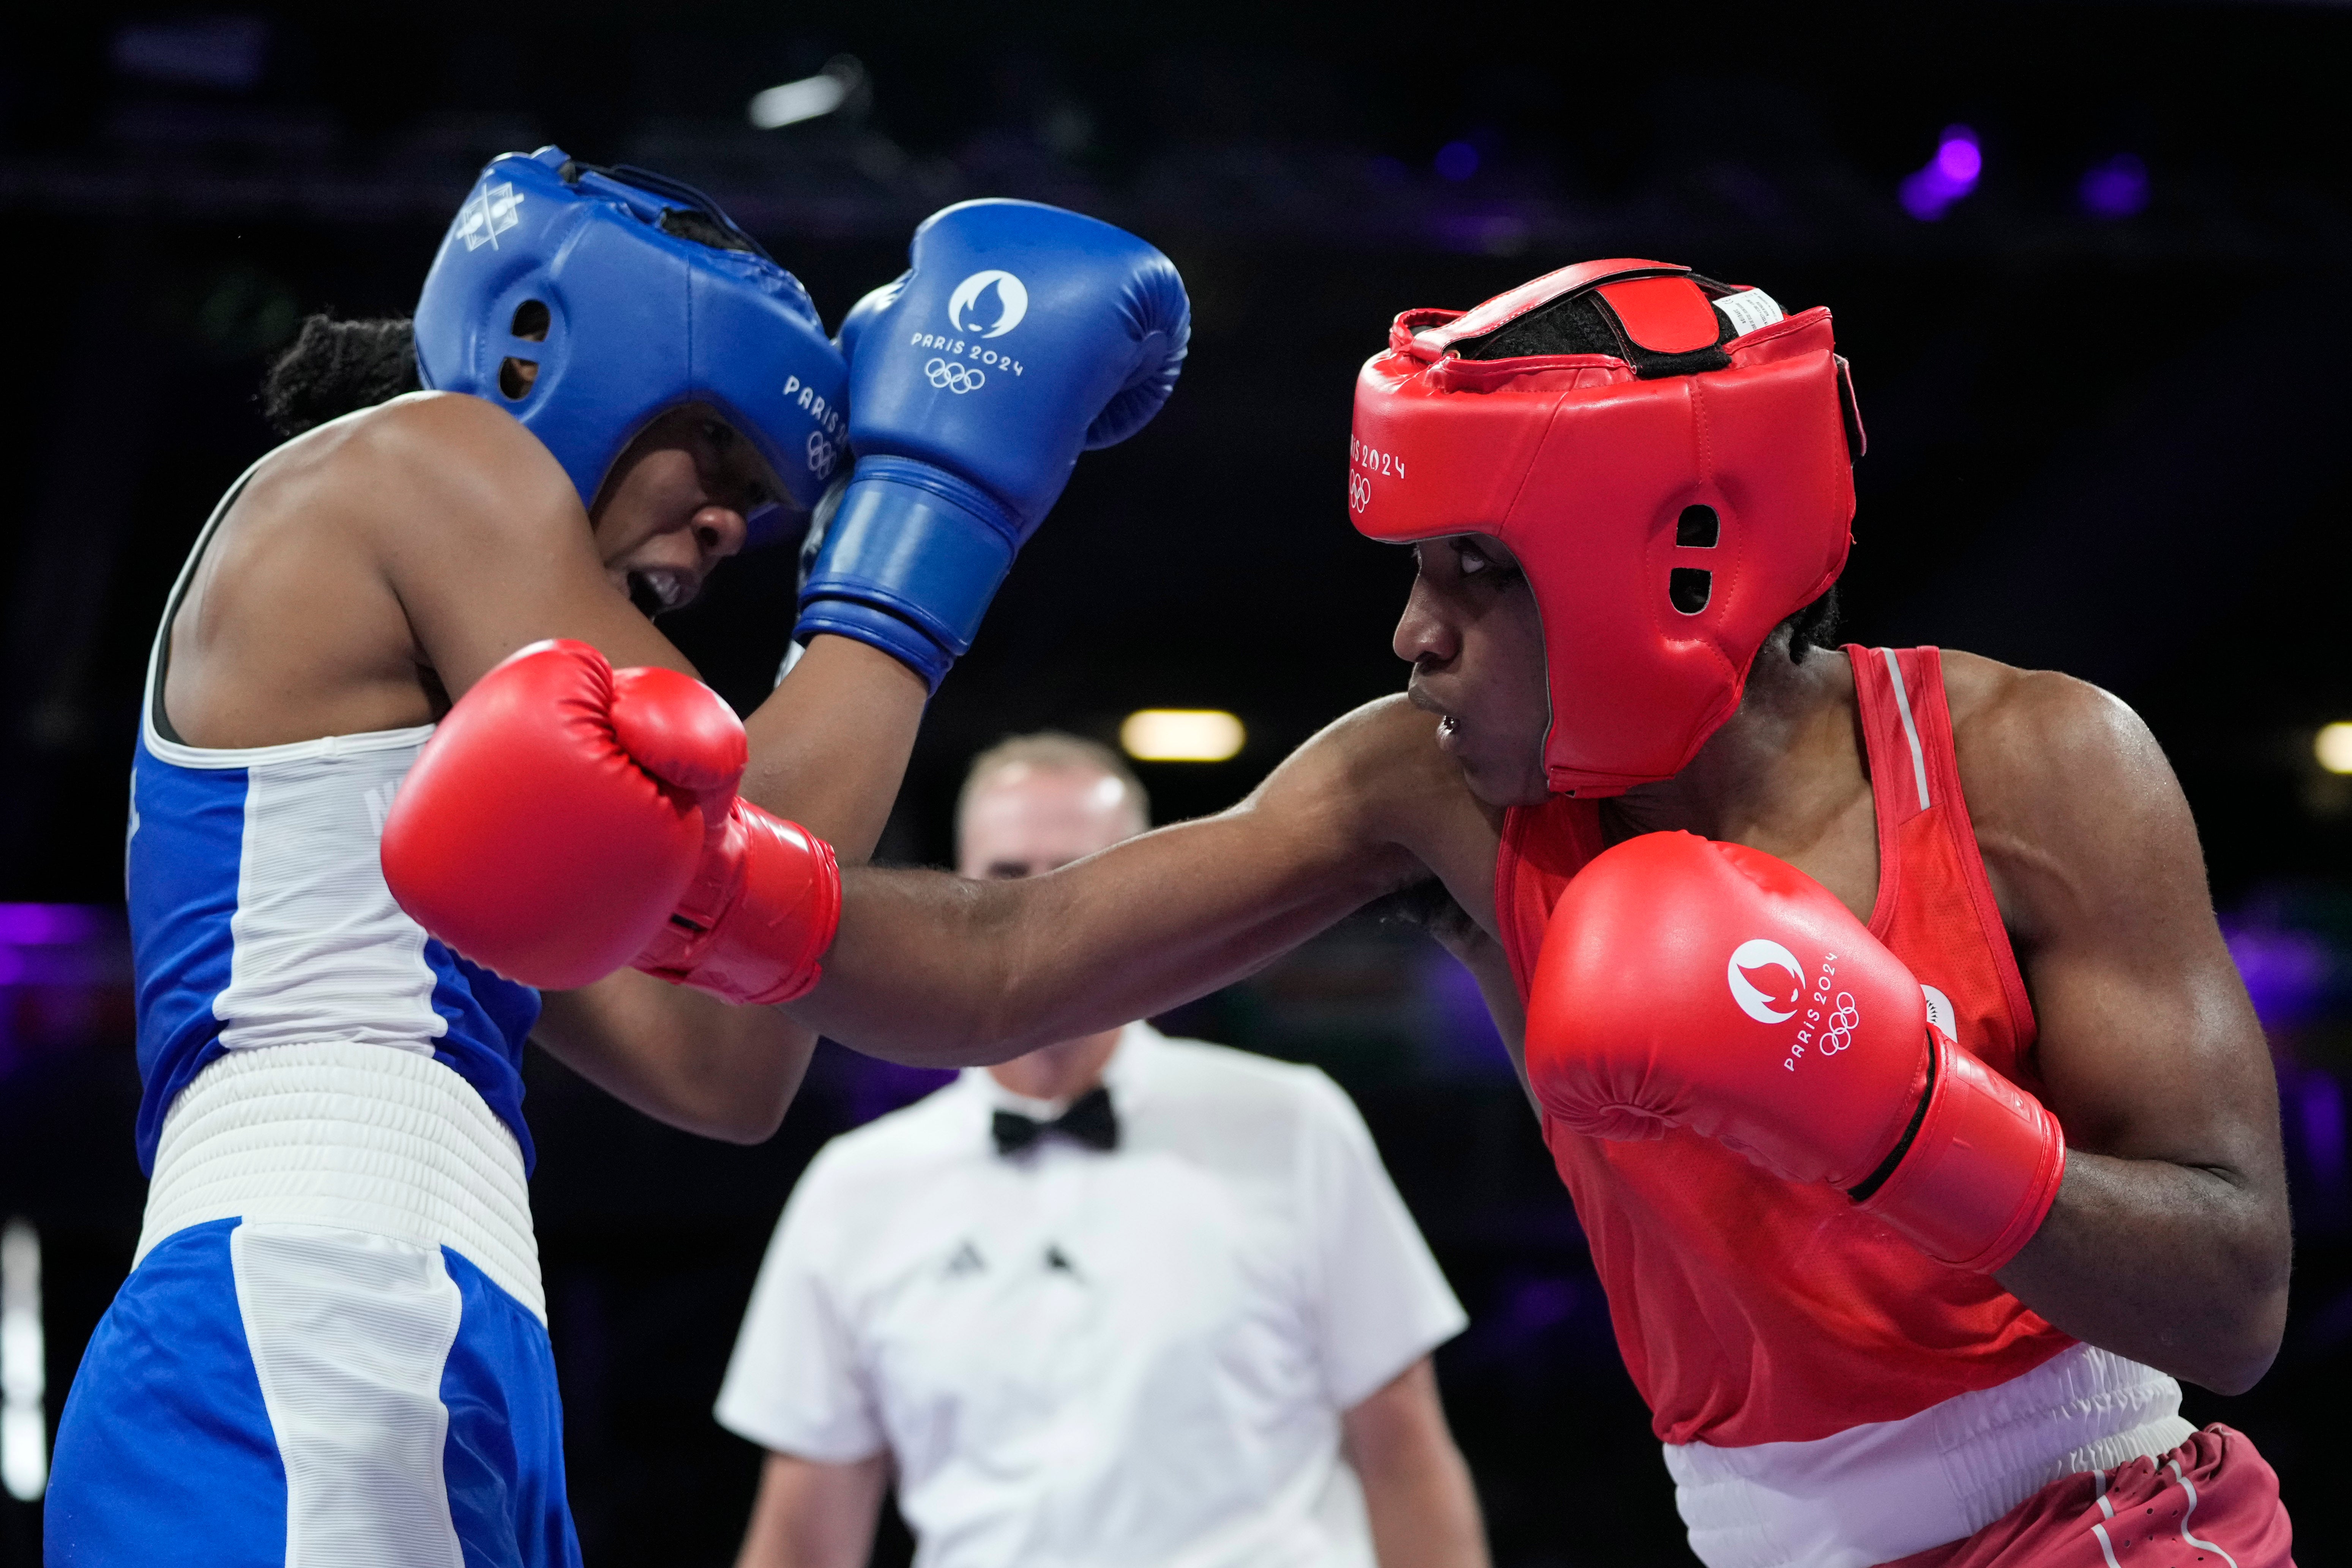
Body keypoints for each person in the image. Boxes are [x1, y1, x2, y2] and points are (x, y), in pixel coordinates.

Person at [393, 259, 2297, 1567]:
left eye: (1473, 572)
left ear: (1678, 561)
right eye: (1411, 571)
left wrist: (1893, 1116)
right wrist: (700, 883)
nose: (1412, 633)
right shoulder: (1436, 789)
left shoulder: (2037, 766)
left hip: (2109, 1525)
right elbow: (1007, 962)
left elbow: (2231, 1291)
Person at [48, 144, 1187, 1568]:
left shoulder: (491, 810)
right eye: (717, 450)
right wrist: (932, 517)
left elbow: (730, 1057)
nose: (726, 526)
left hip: (438, 1321)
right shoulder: (425, 458)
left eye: (763, 507)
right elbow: (763, 835)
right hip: (311, 1296)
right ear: (544, 343)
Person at [716, 734, 1487, 1568]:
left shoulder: (1291, 1121)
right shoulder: (855, 1189)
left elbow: (1402, 1454)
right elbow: (802, 1537)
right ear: (956, 892)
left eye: (1077, 875)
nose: (1039, 910)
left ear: (1144, 891)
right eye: (1008, 878)